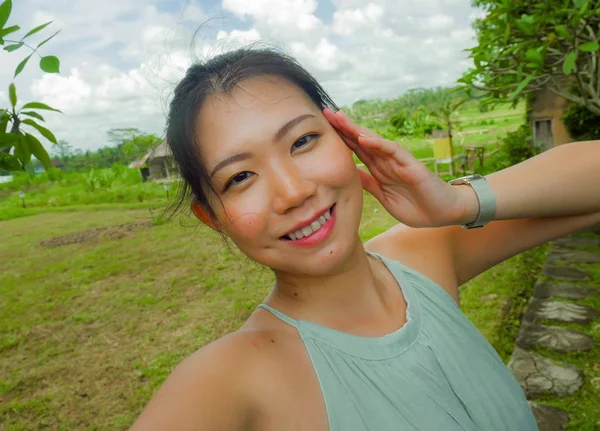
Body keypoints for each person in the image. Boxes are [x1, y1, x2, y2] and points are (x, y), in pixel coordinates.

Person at [130, 47, 600, 431]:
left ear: (346, 138)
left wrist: (458, 204)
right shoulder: (231, 378)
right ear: (213, 218)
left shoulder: (424, 255)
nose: (294, 192)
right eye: (240, 178)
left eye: (301, 142)